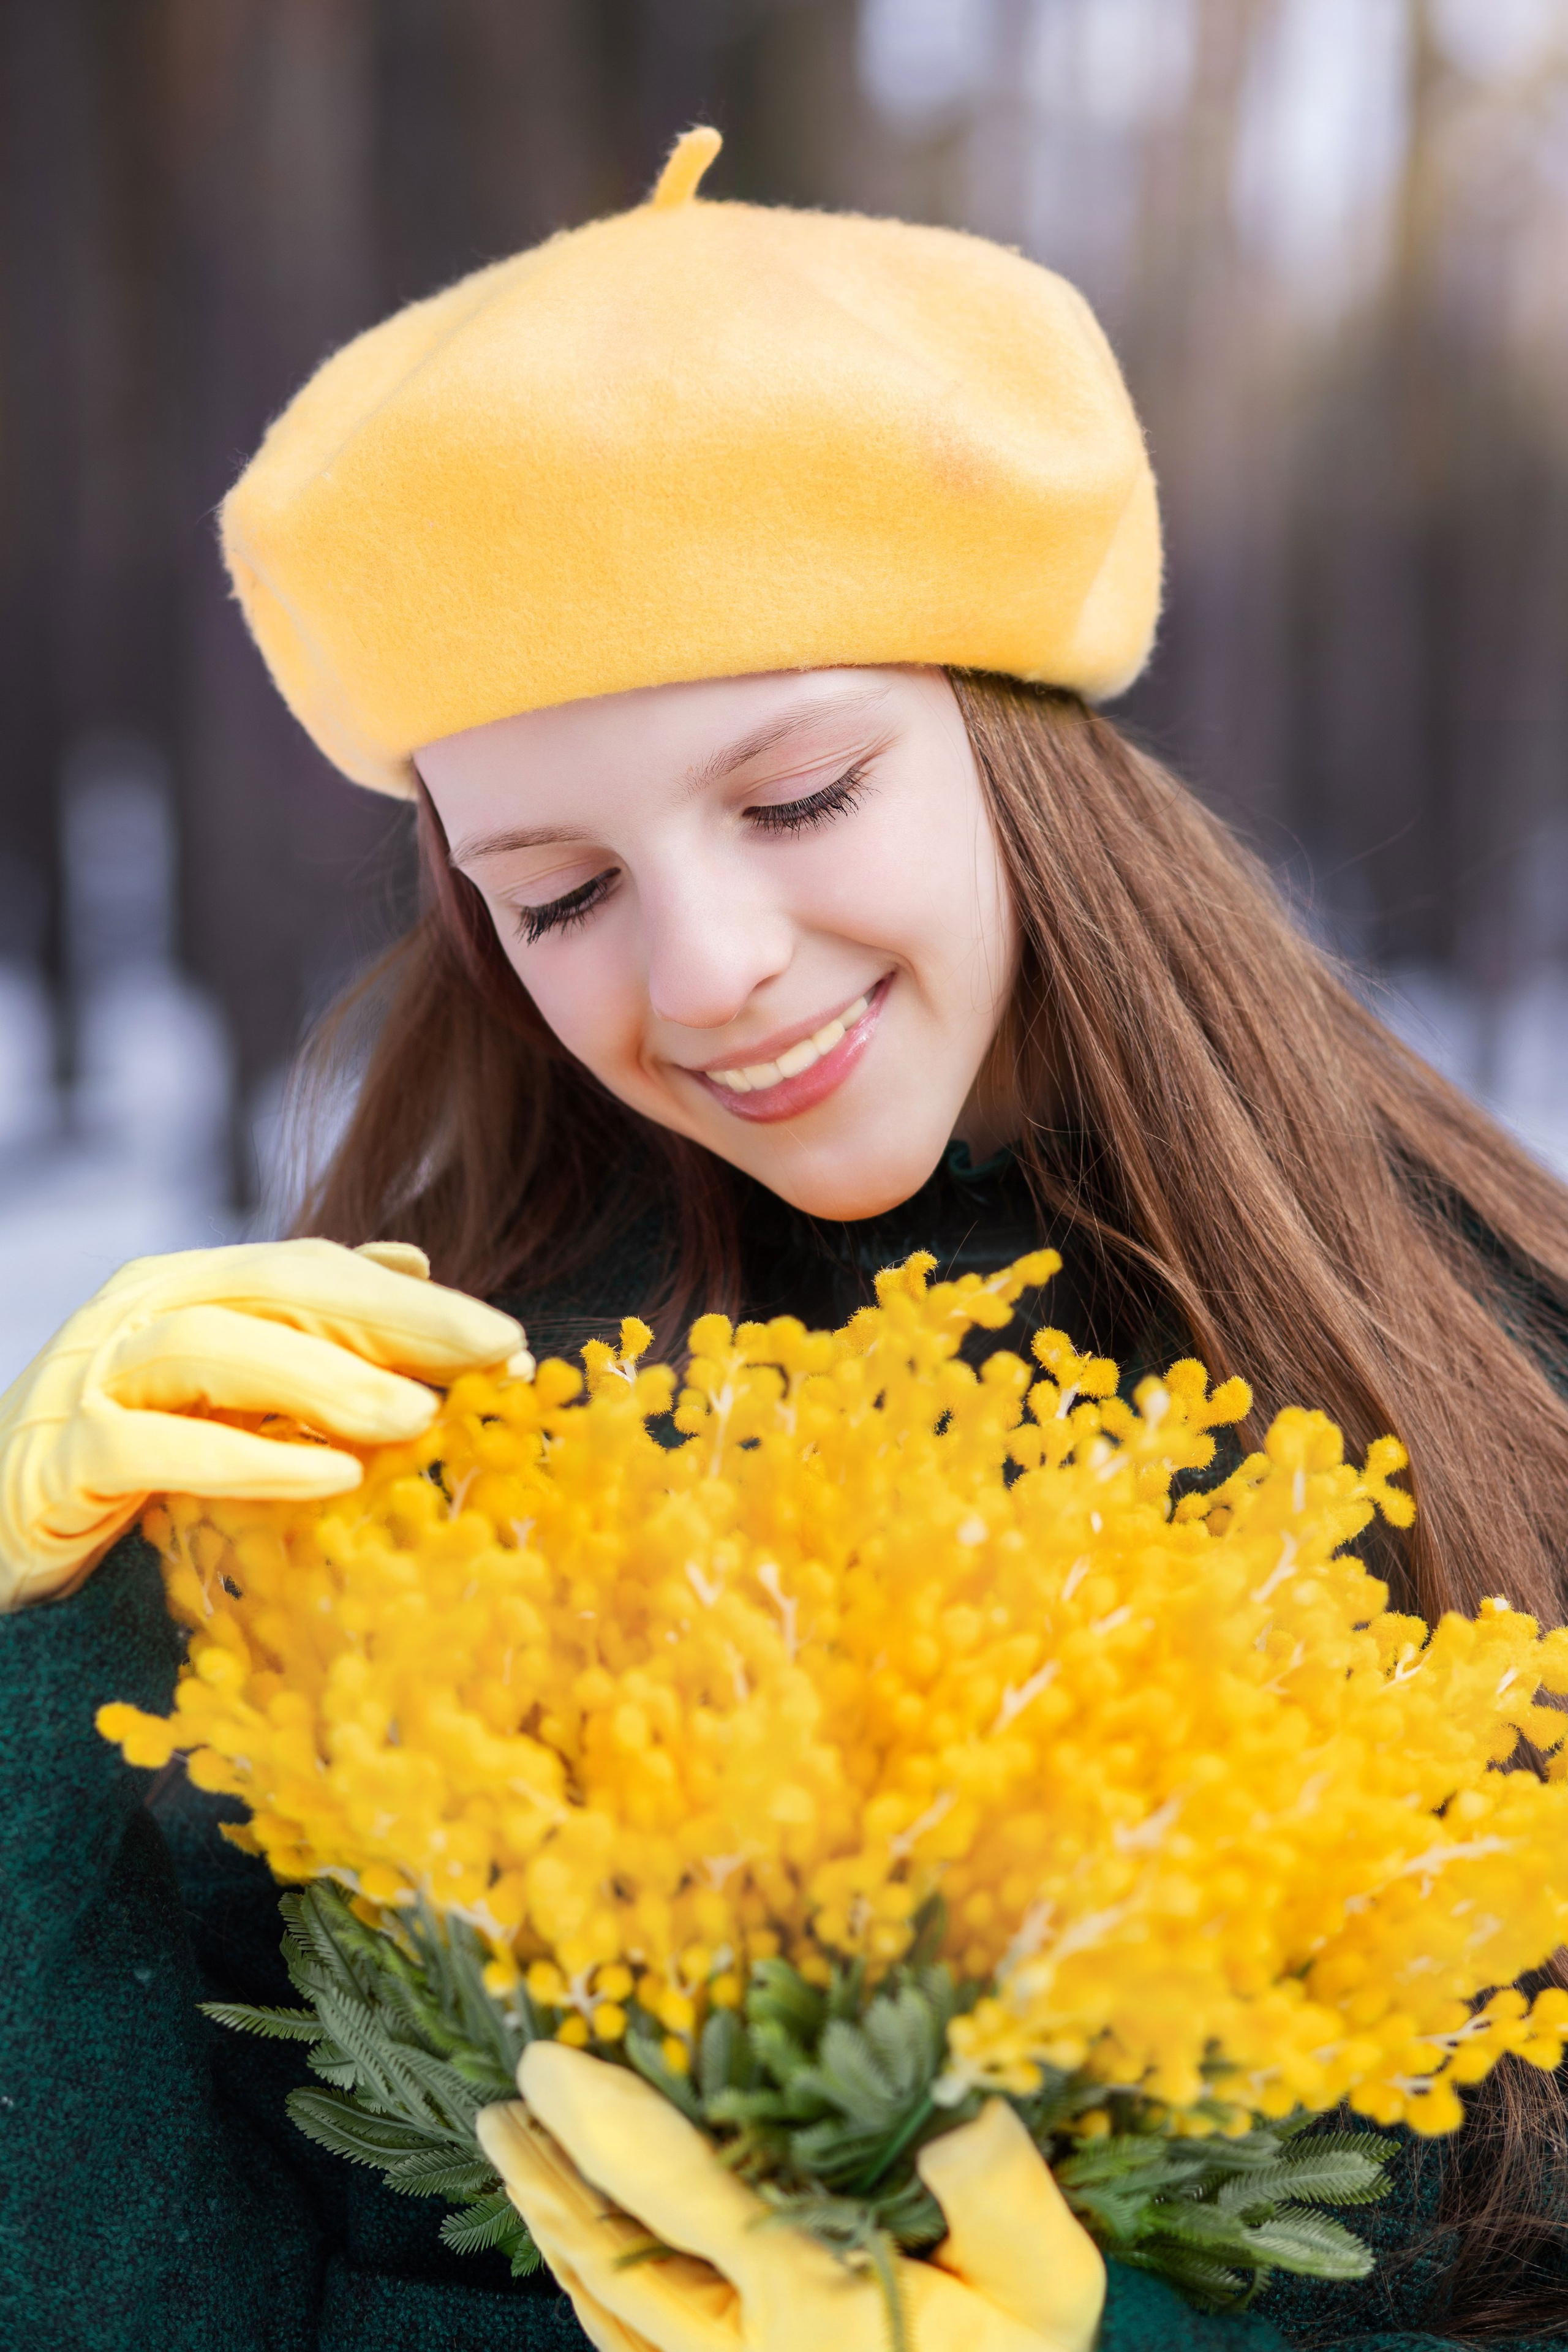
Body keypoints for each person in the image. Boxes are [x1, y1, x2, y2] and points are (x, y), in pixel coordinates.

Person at [1, 126, 1564, 2352]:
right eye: (561, 894)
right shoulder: (390, 1462)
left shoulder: (1505, 1378)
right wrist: (36, 1680)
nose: (712, 967)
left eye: (800, 794)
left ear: (1018, 741)